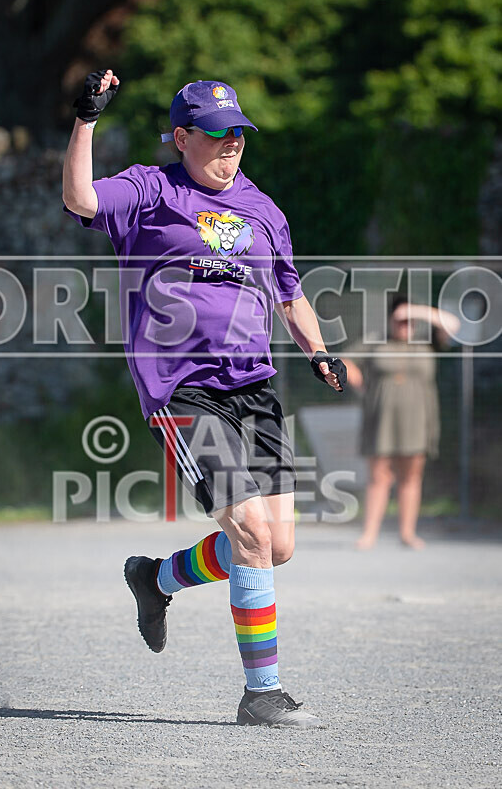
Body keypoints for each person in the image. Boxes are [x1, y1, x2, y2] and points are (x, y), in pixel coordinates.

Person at [63, 69, 347, 727]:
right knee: (247, 533)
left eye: (238, 135)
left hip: (256, 387)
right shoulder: (149, 190)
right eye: (217, 136)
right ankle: (263, 693)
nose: (230, 146)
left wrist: (319, 350)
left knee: (276, 547)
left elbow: (289, 293)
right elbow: (80, 199)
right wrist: (86, 119)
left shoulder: (264, 210)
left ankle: (155, 579)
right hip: (183, 387)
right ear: (183, 136)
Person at [342, 297, 460, 551]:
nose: (404, 325)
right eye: (400, 320)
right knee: (379, 476)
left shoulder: (428, 342)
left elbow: (453, 324)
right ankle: (369, 534)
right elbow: (345, 361)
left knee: (411, 476)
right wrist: (360, 383)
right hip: (381, 419)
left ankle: (408, 533)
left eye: (410, 321)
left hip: (418, 419)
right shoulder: (376, 341)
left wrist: (416, 310)